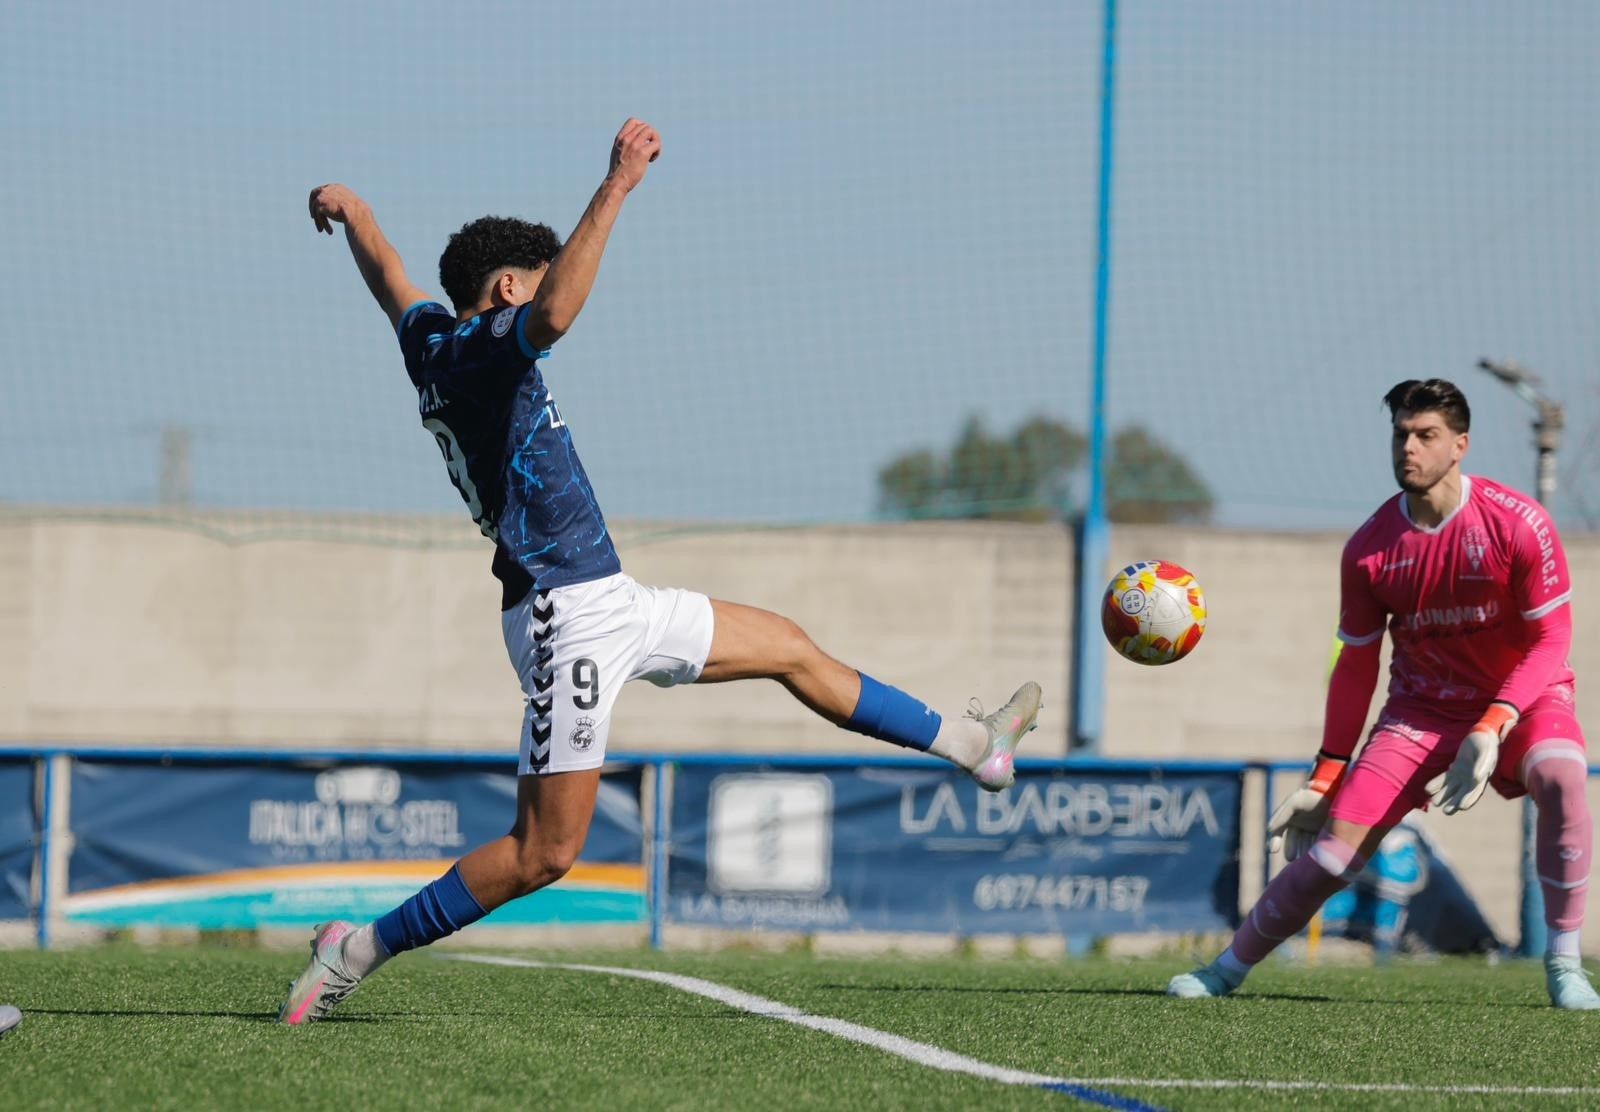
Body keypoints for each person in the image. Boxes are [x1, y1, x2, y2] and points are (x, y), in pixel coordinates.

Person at [281, 119, 1043, 1025]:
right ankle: (353, 950)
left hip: (608, 598)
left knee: (789, 647)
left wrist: (355, 211)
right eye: (539, 277)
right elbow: (555, 314)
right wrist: (617, 185)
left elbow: (391, 279)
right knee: (543, 853)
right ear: (510, 288)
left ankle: (973, 748)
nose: (549, 290)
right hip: (566, 617)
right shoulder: (485, 350)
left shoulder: (431, 342)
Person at [1168, 377, 1595, 1009]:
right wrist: (1326, 776)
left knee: (1562, 774)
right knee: (1332, 856)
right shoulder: (1369, 550)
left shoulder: (1519, 524)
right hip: (1421, 714)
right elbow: (1356, 665)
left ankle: (1564, 965)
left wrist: (1493, 722)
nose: (1409, 449)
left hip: (1524, 701)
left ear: (1460, 445)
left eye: (1426, 435)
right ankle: (1224, 971)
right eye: (1401, 435)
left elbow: (1552, 638)